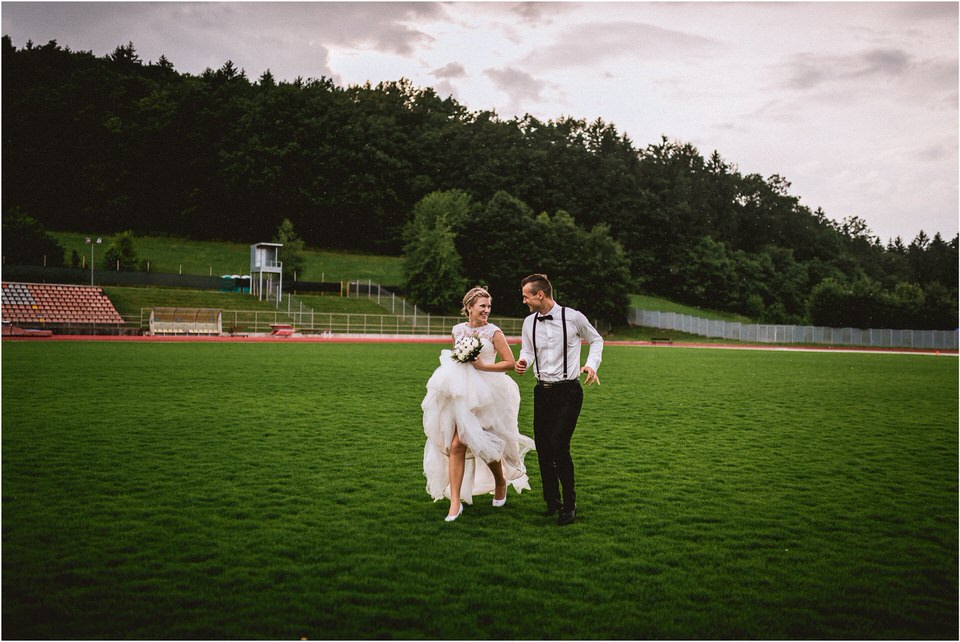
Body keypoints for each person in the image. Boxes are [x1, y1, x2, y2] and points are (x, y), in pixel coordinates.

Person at [422, 286, 536, 522]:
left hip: (489, 394)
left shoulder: (494, 332)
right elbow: (456, 360)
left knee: (485, 444)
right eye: (482, 306)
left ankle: (500, 481)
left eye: (489, 306)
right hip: (461, 393)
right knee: (456, 445)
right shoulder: (457, 331)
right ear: (469, 308)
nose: (486, 310)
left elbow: (509, 363)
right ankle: (455, 503)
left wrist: (482, 367)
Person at [515, 274, 603, 526]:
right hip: (542, 392)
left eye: (526, 296)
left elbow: (596, 339)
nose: (524, 301)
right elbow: (528, 350)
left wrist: (590, 364)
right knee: (543, 449)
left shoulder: (574, 317)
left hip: (568, 392)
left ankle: (570, 504)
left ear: (540, 294)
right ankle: (552, 502)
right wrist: (524, 361)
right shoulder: (529, 322)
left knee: (559, 447)